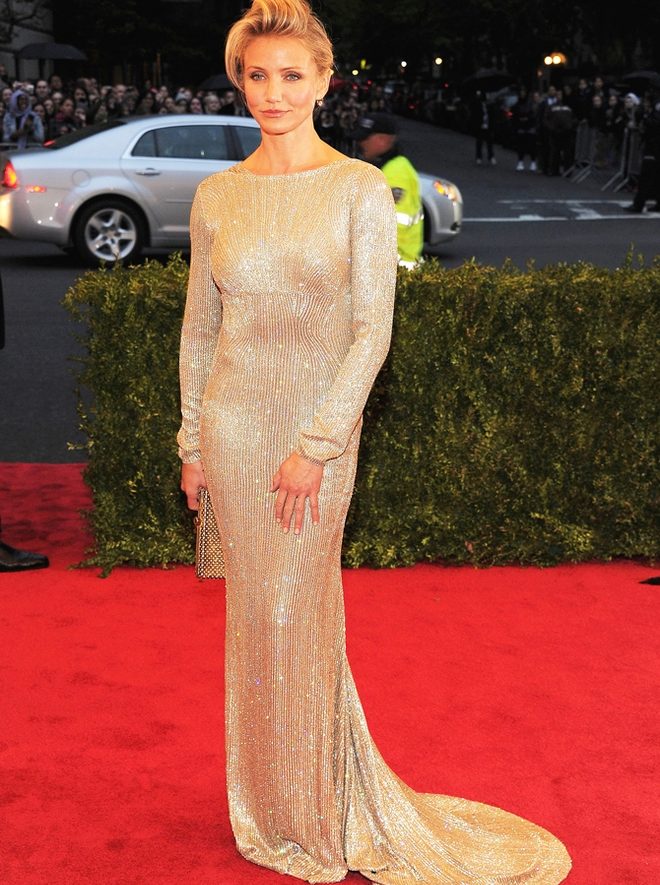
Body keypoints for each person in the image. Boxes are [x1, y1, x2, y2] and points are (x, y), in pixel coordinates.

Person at [177, 0, 572, 882]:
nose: (273, 93)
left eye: (292, 75)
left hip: (316, 437)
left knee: (298, 613)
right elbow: (201, 328)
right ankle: (273, 805)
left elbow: (371, 331)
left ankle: (318, 809)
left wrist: (317, 444)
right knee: (257, 622)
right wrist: (191, 442)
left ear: (324, 81)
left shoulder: (357, 187)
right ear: (240, 83)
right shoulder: (217, 195)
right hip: (234, 429)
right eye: (256, 76)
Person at [353, 111, 424, 268]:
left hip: (397, 266)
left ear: (383, 140)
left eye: (364, 138)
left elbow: (395, 224)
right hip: (392, 263)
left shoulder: (396, 172)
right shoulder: (386, 168)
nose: (360, 144)